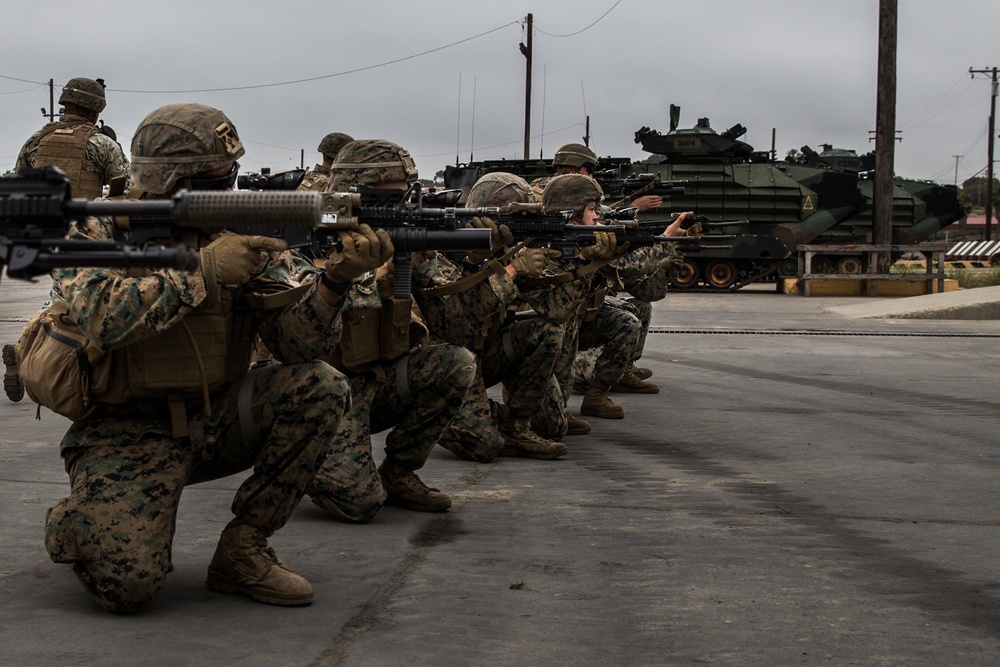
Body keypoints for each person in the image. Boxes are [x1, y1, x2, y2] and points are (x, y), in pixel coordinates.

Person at [40, 103, 387, 612]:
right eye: (219, 180)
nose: (232, 189)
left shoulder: (240, 232)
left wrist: (335, 282)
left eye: (232, 176)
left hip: (214, 419)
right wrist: (203, 270)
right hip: (123, 431)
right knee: (128, 589)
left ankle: (244, 550)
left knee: (321, 385)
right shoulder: (93, 227)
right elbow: (103, 319)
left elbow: (297, 347)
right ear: (171, 181)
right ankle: (84, 517)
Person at [304, 139, 476, 520]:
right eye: (391, 200)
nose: (404, 209)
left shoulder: (400, 241)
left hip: (373, 384)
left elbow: (457, 322)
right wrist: (359, 274)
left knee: (457, 363)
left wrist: (486, 263)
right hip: (320, 396)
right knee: (360, 503)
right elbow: (301, 336)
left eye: (405, 198)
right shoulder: (309, 241)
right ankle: (302, 460)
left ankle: (398, 472)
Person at [414, 172, 567, 461]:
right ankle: (437, 414)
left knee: (552, 424)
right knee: (483, 445)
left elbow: (557, 309)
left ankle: (515, 426)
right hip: (448, 360)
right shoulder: (439, 250)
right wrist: (508, 270)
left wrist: (582, 261)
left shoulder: (509, 248)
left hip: (485, 352)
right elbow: (455, 325)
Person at [5, 78, 133, 403]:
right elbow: (129, 190)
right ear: (96, 109)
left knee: (62, 293)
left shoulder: (37, 140)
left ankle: (29, 351)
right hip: (81, 234)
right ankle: (26, 350)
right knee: (72, 298)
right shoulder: (100, 144)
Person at [15, 77, 131, 199]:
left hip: (41, 212)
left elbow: (18, 186)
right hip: (84, 212)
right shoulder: (103, 145)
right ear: (94, 112)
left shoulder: (35, 140)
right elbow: (128, 192)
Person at [531, 143, 662, 213]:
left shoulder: (537, 186)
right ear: (573, 169)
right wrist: (635, 208)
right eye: (589, 170)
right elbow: (600, 218)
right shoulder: (569, 194)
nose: (591, 176)